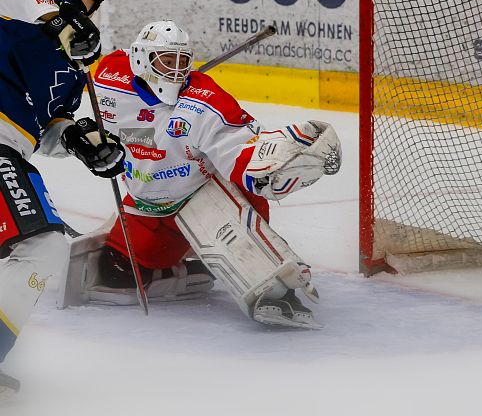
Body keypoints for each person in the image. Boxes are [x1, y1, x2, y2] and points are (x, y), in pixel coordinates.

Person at [61, 19, 342, 330]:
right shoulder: (108, 76)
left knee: (243, 201)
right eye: (167, 61)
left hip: (202, 196)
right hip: (148, 201)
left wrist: (278, 162)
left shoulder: (207, 103)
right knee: (118, 272)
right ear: (141, 59)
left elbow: (243, 155)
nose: (176, 71)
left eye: (183, 62)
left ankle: (273, 281)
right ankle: (173, 270)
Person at [0, 0, 126, 396]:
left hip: (10, 146)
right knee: (42, 246)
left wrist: (80, 140)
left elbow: (45, 130)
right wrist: (58, 17)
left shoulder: (75, 65)